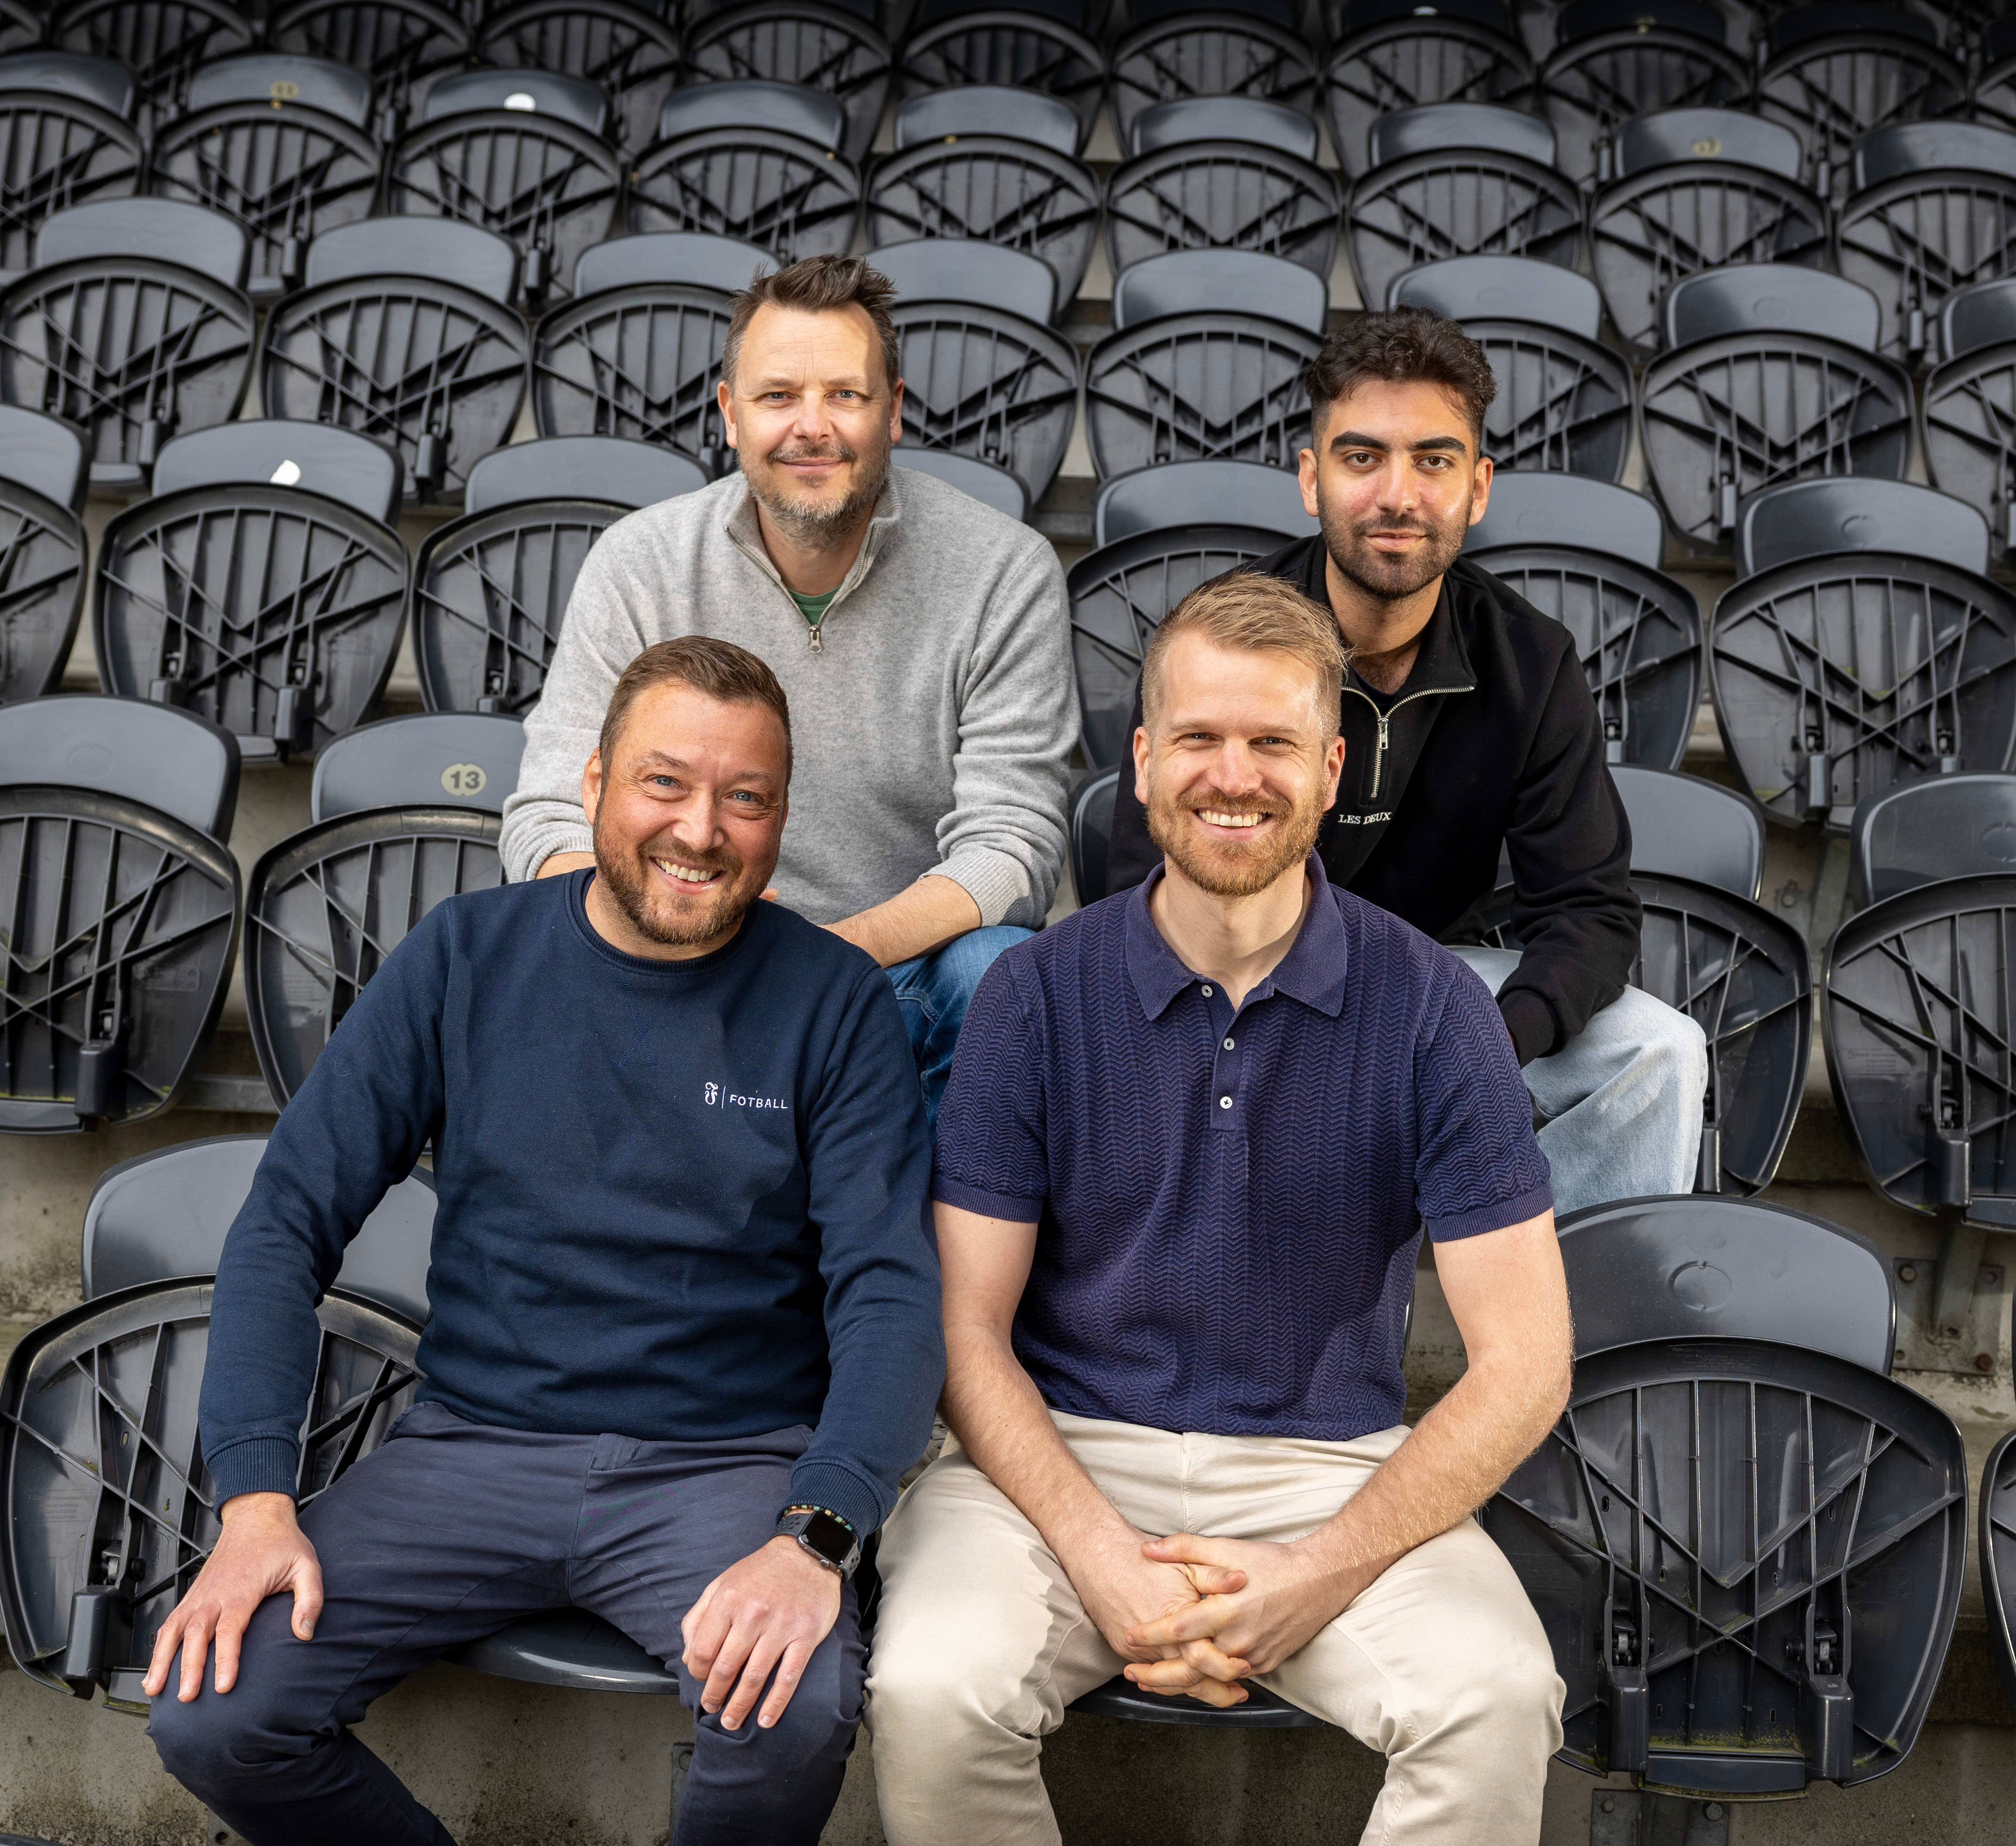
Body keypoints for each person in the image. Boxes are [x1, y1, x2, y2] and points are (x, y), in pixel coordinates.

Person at [143, 637, 942, 1846]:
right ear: (593, 783)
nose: (701, 829)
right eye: (665, 783)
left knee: (796, 1709)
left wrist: (817, 1534)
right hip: (473, 1448)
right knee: (215, 1713)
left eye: (747, 798)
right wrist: (257, 1499)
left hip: (721, 1465)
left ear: (783, 817)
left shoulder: (832, 1000)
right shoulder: (465, 957)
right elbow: (281, 1227)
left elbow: (889, 1294)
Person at [868, 574, 1573, 1846]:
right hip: (1058, 1459)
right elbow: (964, 1335)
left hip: (1326, 1471)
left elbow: (1525, 1366)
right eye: (1197, 738)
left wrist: (1315, 1578)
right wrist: (1100, 1557)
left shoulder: (1434, 1008)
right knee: (932, 1688)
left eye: (1272, 743)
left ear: (1332, 766)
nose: (1231, 776)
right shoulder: (1031, 998)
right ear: (1143, 762)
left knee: (1497, 1698)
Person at [1106, 307, 1705, 1207]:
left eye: (1434, 460)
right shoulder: (1223, 642)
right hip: (1243, 980)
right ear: (1311, 480)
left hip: (1433, 988)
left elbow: (1589, 911)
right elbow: (1138, 878)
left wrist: (1487, 1046)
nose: (1398, 495)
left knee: (1661, 1051)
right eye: (1362, 458)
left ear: (1479, 487)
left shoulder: (1529, 661)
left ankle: (1564, 1339)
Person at [501, 254, 1079, 1122]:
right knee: (530, 945)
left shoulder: (1004, 571)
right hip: (679, 957)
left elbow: (1015, 845)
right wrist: (679, 938)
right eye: (778, 397)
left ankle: (932, 1249)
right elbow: (546, 817)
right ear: (730, 414)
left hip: (893, 970)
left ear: (895, 409)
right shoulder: (639, 563)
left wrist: (825, 955)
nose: (813, 426)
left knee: (996, 971)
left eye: (845, 395)